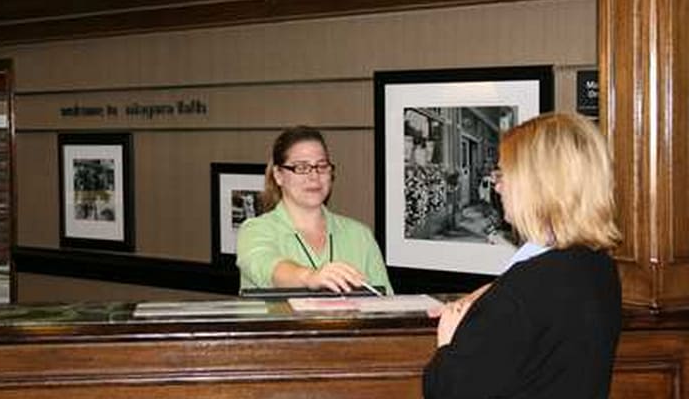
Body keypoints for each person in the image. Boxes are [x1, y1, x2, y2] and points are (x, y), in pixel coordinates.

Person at [423, 113, 622, 399]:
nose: (497, 185)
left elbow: (449, 391)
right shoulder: (599, 266)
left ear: (538, 185)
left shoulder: (526, 287)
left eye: (503, 174)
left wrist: (447, 343)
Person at [236, 125, 393, 294]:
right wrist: (310, 277)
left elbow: (387, 304)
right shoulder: (254, 230)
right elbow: (268, 268)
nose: (314, 176)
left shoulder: (360, 235)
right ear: (278, 175)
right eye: (301, 168)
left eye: (321, 166)